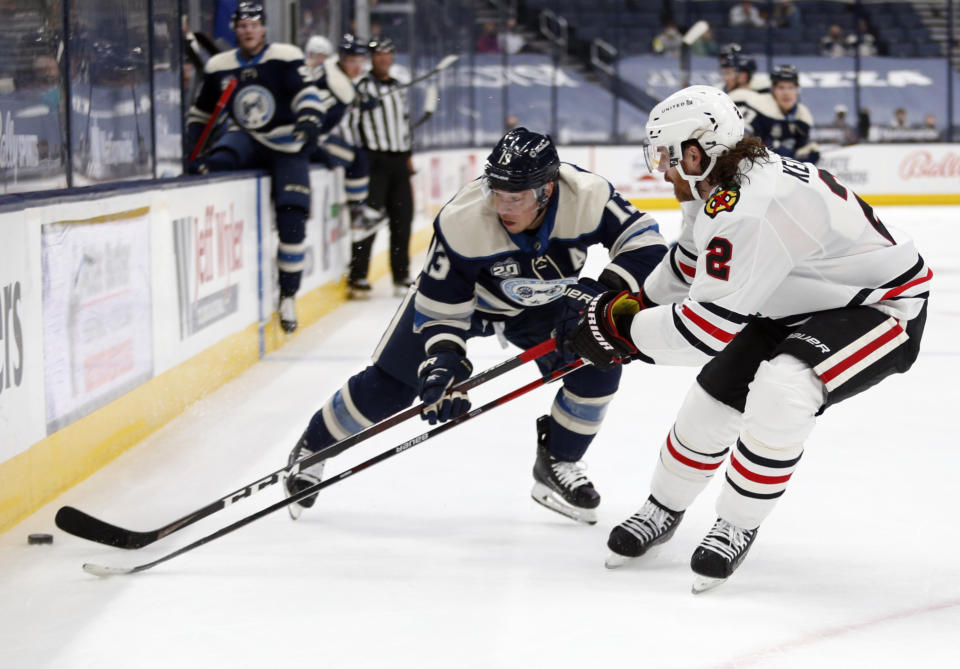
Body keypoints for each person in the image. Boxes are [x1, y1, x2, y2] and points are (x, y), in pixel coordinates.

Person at [566, 85, 930, 592]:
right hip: (795, 299)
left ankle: (736, 523)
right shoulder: (721, 185)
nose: (663, 171)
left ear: (695, 153)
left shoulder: (750, 207)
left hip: (881, 308)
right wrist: (630, 303)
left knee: (783, 390)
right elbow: (691, 262)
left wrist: (620, 332)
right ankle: (663, 506)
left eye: (666, 158)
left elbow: (705, 331)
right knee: (712, 400)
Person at [283, 127, 668, 525]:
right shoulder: (462, 218)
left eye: (515, 197)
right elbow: (441, 305)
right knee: (391, 387)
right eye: (496, 192)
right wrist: (445, 361)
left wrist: (602, 294)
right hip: (467, 305)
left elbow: (646, 243)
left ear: (547, 190)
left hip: (546, 303)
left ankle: (558, 461)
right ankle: (313, 450)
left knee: (595, 365)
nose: (503, 206)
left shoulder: (586, 195)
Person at [185, 1, 325, 333]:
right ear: (235, 29)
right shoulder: (220, 65)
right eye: (242, 25)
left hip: (285, 141)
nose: (248, 30)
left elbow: (307, 94)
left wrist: (308, 120)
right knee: (215, 166)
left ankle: (288, 294)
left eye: (254, 24)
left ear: (263, 28)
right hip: (244, 136)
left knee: (293, 217)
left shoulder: (286, 55)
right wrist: (193, 151)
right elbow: (201, 113)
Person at [347, 37, 415, 299]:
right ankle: (358, 275)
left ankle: (401, 275)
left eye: (388, 54)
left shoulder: (398, 87)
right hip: (374, 162)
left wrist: (408, 155)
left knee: (402, 220)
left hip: (399, 162)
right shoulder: (361, 87)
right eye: (378, 55)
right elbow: (350, 119)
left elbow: (404, 124)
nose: (383, 59)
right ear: (371, 58)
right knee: (368, 220)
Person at [304, 34, 386, 239]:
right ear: (341, 58)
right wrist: (315, 147)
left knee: (356, 154)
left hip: (306, 139)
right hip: (303, 141)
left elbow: (341, 95)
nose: (358, 67)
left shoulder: (331, 73)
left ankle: (357, 211)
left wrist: (359, 101)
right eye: (352, 61)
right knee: (357, 157)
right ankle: (357, 214)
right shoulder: (332, 85)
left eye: (361, 61)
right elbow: (319, 111)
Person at [750, 64, 820, 164]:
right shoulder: (760, 111)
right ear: (773, 90)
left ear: (797, 90)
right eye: (781, 88)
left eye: (791, 88)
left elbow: (806, 151)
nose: (786, 93)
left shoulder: (803, 115)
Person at [717, 44, 763, 133]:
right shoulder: (717, 92)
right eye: (725, 73)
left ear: (743, 76)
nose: (725, 78)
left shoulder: (757, 100)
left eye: (729, 73)